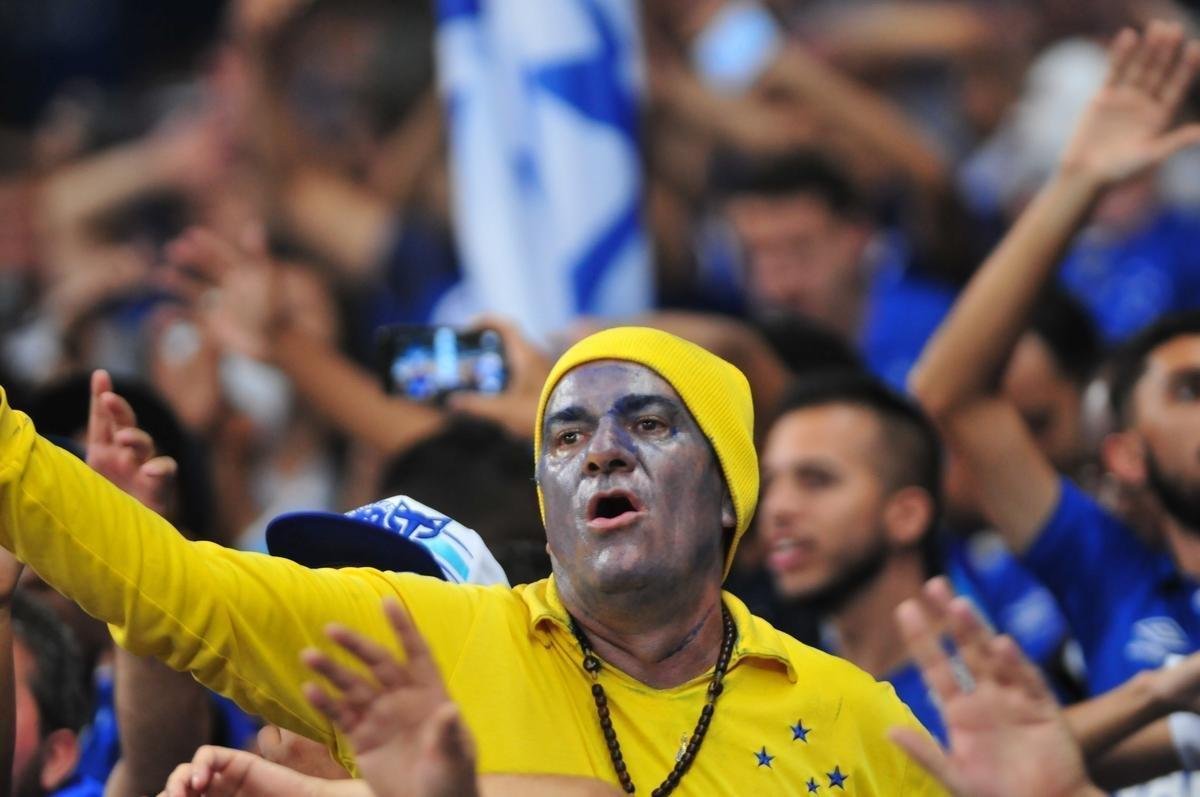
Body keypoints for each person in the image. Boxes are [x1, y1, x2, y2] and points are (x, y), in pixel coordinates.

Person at [0, 325, 941, 794]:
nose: (602, 451)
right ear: (546, 501)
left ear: (733, 490)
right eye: (566, 439)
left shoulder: (859, 721)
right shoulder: (416, 635)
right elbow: (168, 585)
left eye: (648, 423)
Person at [910, 21, 1200, 794]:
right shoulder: (1112, 570)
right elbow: (949, 393)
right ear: (1127, 455)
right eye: (1188, 390)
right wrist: (1078, 182)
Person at [758, 372, 950, 740]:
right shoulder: (782, 689)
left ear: (907, 516)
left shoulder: (984, 698)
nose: (776, 508)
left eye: (816, 479)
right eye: (770, 484)